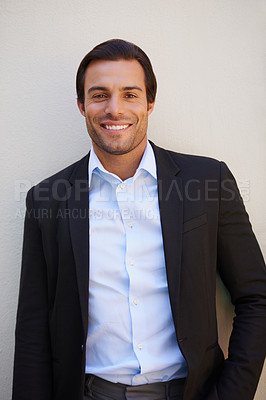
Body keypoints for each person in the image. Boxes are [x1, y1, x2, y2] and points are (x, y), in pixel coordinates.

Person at [12, 39, 266, 400]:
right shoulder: (47, 199)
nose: (114, 109)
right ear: (82, 105)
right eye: (99, 95)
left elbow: (257, 297)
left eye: (129, 94)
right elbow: (34, 330)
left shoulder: (208, 182)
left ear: (150, 101)